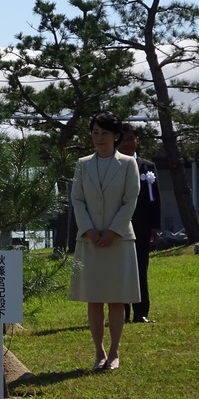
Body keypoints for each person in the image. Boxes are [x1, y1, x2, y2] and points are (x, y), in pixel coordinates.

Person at [69, 112, 141, 372]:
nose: (99, 138)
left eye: (105, 134)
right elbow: (77, 199)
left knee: (117, 298)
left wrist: (113, 231)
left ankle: (114, 351)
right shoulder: (83, 164)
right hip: (89, 239)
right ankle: (98, 351)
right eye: (95, 133)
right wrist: (88, 229)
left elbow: (130, 200)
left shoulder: (128, 164)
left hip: (119, 239)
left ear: (116, 136)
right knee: (94, 298)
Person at [118, 124, 162, 323]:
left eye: (130, 139)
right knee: (120, 271)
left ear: (138, 140)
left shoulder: (147, 167)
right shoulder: (113, 165)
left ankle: (141, 312)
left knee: (140, 269)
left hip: (142, 227)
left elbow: (155, 199)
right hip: (118, 227)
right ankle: (122, 313)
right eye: (123, 139)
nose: (127, 143)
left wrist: (155, 226)